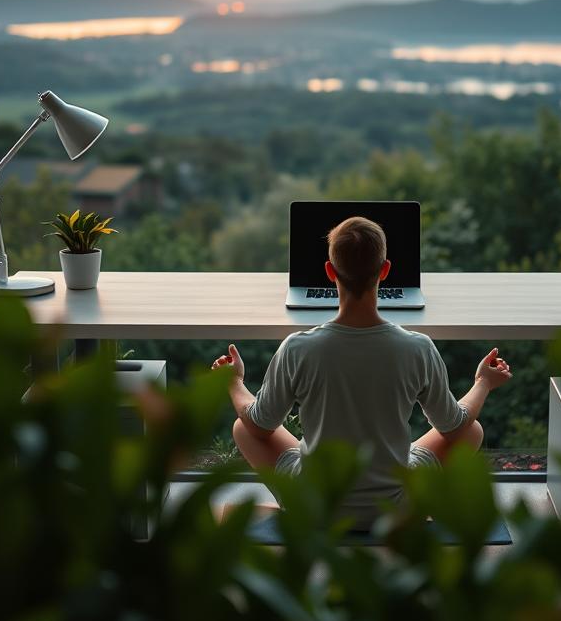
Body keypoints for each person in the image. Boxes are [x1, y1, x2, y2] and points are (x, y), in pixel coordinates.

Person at [211, 216, 512, 527]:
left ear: (329, 272)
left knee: (242, 426)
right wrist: (483, 383)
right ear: (385, 270)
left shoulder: (298, 348)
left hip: (318, 506)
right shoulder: (417, 348)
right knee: (471, 430)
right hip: (394, 509)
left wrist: (234, 383)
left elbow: (259, 426)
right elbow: (454, 427)